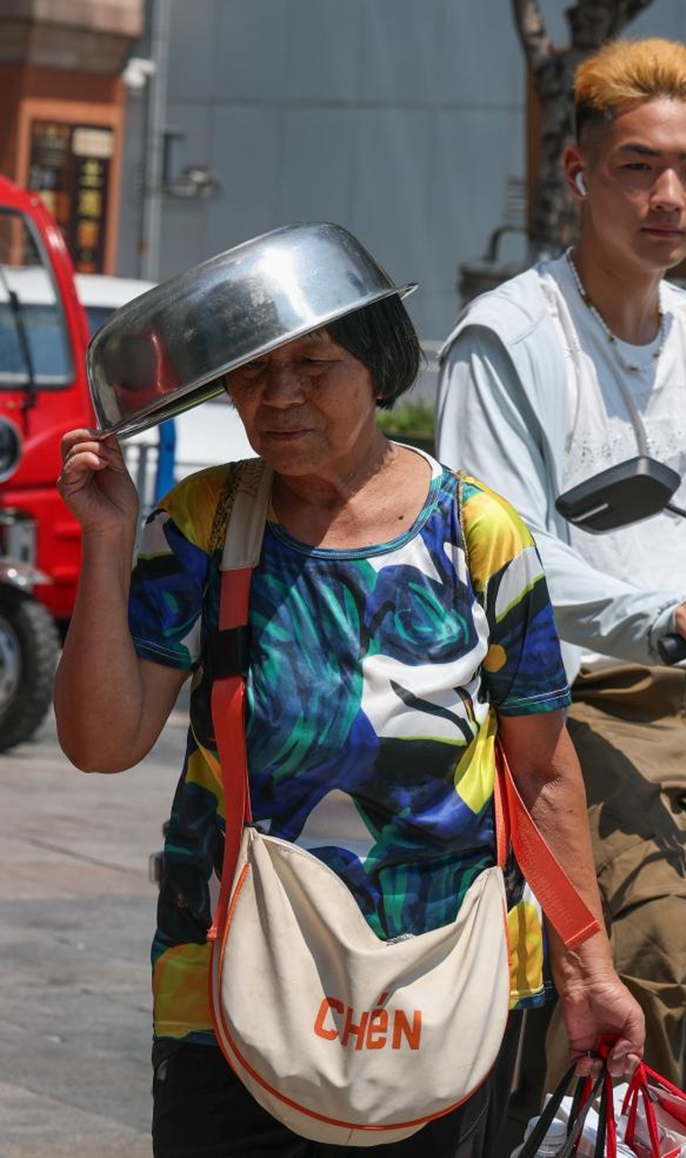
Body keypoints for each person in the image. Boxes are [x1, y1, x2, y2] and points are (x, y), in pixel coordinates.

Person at [54, 226, 643, 1158]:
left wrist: (589, 970)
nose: (279, 396)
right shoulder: (203, 524)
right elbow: (101, 743)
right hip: (230, 975)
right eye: (252, 373)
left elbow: (543, 775)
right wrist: (104, 541)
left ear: (378, 368)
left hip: (444, 982)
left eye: (315, 365)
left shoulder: (480, 536)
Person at [436, 37, 686, 1126]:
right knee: (649, 940)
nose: (668, 196)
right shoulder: (504, 341)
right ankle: (604, 1141)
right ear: (577, 172)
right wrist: (656, 609)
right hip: (569, 698)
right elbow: (500, 544)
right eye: (638, 166)